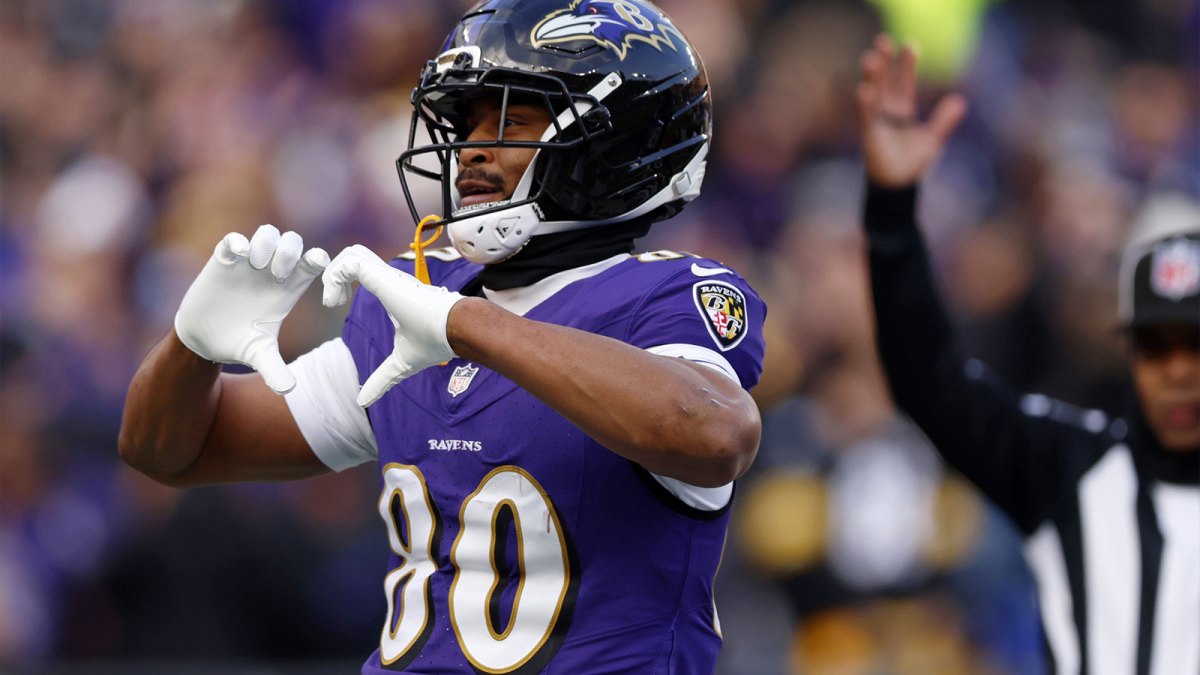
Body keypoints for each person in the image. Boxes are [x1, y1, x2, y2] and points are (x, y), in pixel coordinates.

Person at [119, 0, 765, 672]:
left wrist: (464, 324)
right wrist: (190, 347)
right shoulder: (423, 295)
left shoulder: (663, 296)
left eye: (509, 121)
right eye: (467, 122)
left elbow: (715, 433)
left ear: (611, 145)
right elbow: (167, 451)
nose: (471, 148)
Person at [856, 34, 1198, 675]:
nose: (1179, 371)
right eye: (1158, 348)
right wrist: (893, 218)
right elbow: (929, 381)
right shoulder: (1074, 466)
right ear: (1130, 354)